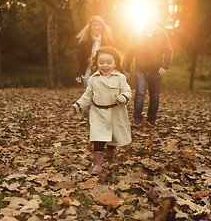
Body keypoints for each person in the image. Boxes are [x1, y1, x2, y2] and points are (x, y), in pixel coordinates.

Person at [72, 47, 132, 175]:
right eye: (101, 62)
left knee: (113, 135)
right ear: (96, 63)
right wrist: (77, 105)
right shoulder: (93, 79)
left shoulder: (120, 78)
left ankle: (111, 149)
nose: (105, 66)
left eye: (109, 62)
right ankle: (98, 164)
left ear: (115, 63)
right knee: (98, 137)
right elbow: (87, 96)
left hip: (115, 112)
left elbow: (127, 91)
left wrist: (123, 98)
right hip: (97, 112)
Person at [125, 11, 173, 128]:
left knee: (155, 97)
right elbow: (131, 52)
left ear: (155, 19)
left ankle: (151, 120)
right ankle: (137, 119)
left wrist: (164, 66)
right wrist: (127, 68)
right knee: (140, 93)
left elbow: (168, 51)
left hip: (156, 70)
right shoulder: (138, 33)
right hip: (140, 69)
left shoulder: (161, 33)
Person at [75, 16, 113, 89]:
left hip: (103, 68)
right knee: (89, 89)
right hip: (88, 68)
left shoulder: (107, 40)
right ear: (90, 27)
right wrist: (78, 73)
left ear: (102, 27)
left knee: (100, 90)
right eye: (94, 25)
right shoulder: (84, 40)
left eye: (99, 25)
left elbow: (112, 57)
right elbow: (79, 57)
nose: (96, 27)